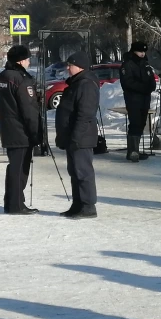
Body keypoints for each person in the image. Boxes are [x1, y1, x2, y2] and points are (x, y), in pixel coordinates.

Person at [0, 45, 42, 215]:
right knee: (19, 168)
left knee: (14, 165)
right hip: (21, 130)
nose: (29, 62)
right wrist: (36, 133)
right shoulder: (21, 79)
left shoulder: (2, 76)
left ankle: (11, 202)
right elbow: (28, 109)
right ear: (21, 61)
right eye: (28, 59)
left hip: (8, 127)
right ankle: (16, 204)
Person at [55, 51, 100, 219]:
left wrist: (75, 136)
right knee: (74, 171)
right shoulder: (76, 82)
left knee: (83, 171)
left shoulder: (86, 84)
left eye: (70, 65)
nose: (68, 67)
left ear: (79, 66)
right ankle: (77, 204)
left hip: (81, 136)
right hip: (72, 135)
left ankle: (88, 206)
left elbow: (85, 114)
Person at [119, 41, 157, 162]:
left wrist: (150, 87)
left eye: (144, 51)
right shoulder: (128, 64)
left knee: (141, 123)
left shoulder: (145, 64)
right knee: (135, 123)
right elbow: (127, 82)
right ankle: (132, 151)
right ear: (134, 51)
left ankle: (135, 149)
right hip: (133, 98)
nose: (142, 54)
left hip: (145, 98)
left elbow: (151, 79)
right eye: (140, 51)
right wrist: (143, 88)